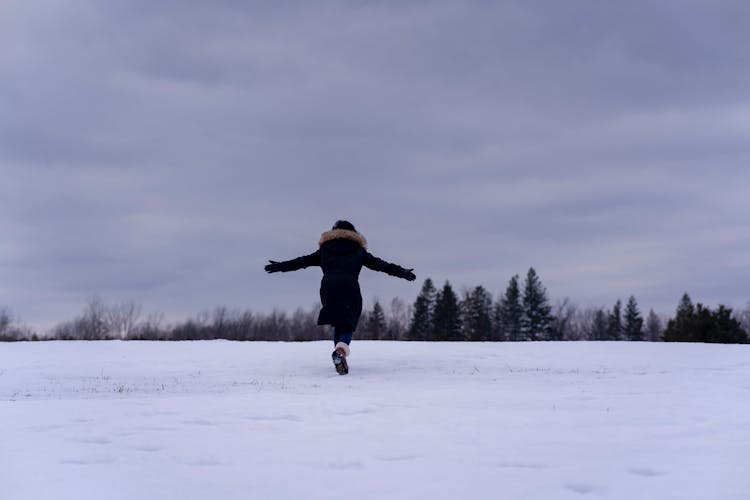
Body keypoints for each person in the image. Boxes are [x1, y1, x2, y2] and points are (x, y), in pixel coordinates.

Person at [265, 220, 416, 375]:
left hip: (328, 288)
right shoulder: (358, 250)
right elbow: (381, 265)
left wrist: (279, 266)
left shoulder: (325, 250)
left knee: (338, 321)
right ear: (354, 234)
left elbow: (301, 261)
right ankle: (341, 352)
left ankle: (339, 354)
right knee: (348, 322)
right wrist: (402, 272)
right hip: (349, 287)